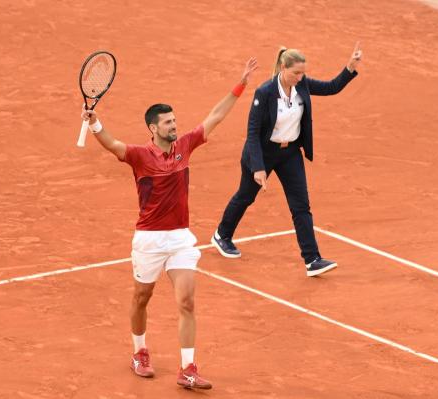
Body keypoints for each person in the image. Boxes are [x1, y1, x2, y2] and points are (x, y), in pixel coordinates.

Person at [81, 57, 258, 389]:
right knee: (140, 298)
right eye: (167, 122)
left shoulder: (185, 146)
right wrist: (95, 124)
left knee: (187, 301)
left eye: (175, 120)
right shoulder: (138, 155)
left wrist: (241, 84)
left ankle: (187, 368)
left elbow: (215, 116)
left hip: (179, 238)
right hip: (148, 239)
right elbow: (112, 145)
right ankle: (139, 352)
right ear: (153, 128)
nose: (174, 126)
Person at [211, 43, 362, 277]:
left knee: (301, 206)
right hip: (262, 152)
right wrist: (259, 168)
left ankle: (312, 259)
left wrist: (350, 67)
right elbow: (252, 133)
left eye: (302, 73)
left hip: (290, 153)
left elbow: (332, 87)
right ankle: (222, 234)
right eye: (296, 73)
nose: (300, 77)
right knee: (246, 196)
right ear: (283, 67)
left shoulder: (302, 85)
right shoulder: (265, 92)